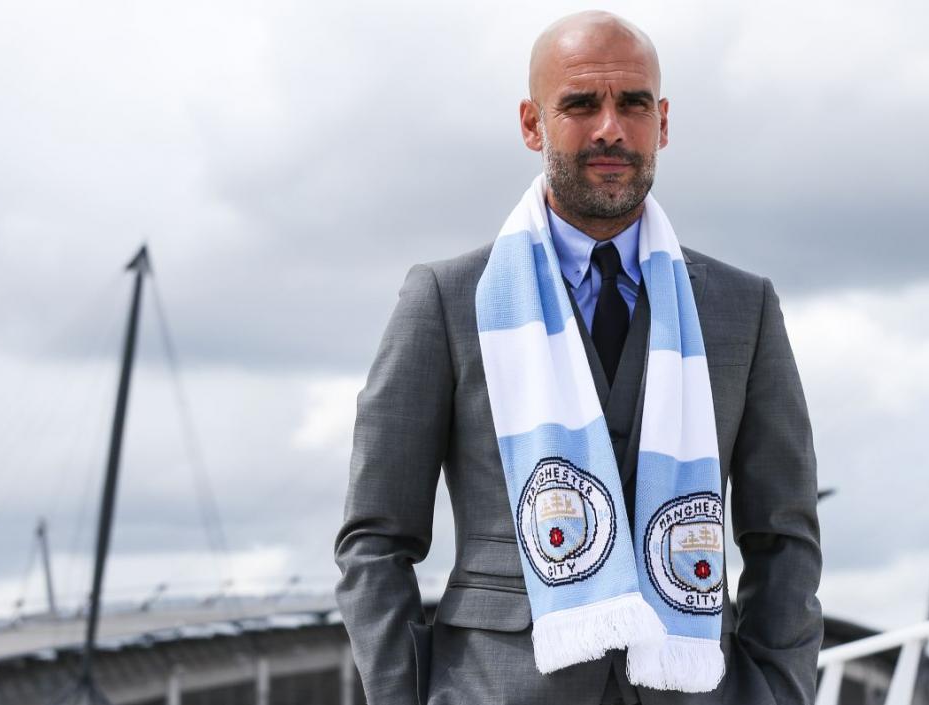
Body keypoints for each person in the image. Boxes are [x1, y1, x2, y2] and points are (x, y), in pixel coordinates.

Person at [334, 11, 822, 705]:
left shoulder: (743, 309)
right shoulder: (445, 301)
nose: (611, 130)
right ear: (532, 124)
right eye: (581, 104)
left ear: (664, 121)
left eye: (633, 104)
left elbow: (785, 536)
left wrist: (776, 691)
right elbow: (375, 539)